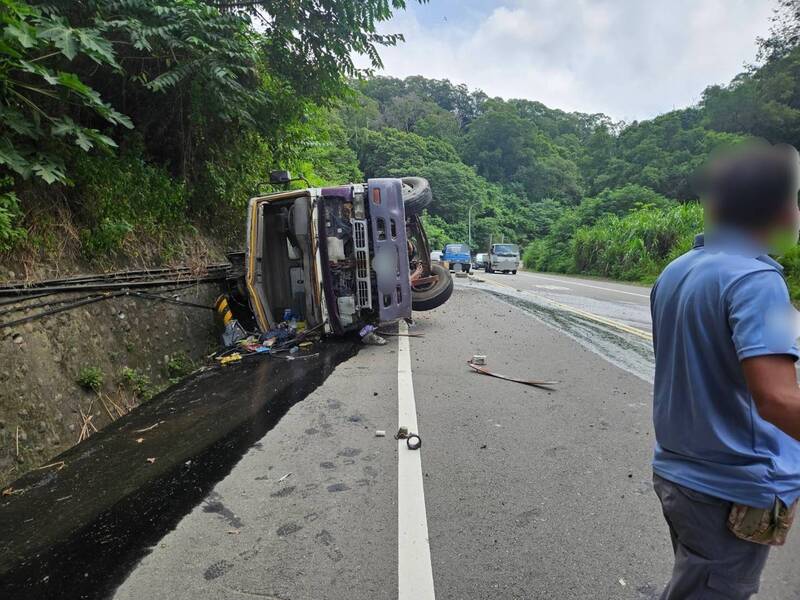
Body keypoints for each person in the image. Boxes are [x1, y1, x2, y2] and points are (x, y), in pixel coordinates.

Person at [650, 143, 800, 600]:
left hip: (679, 474)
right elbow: (776, 398)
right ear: (780, 212)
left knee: (695, 581)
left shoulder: (677, 270)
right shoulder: (757, 280)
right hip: (732, 486)